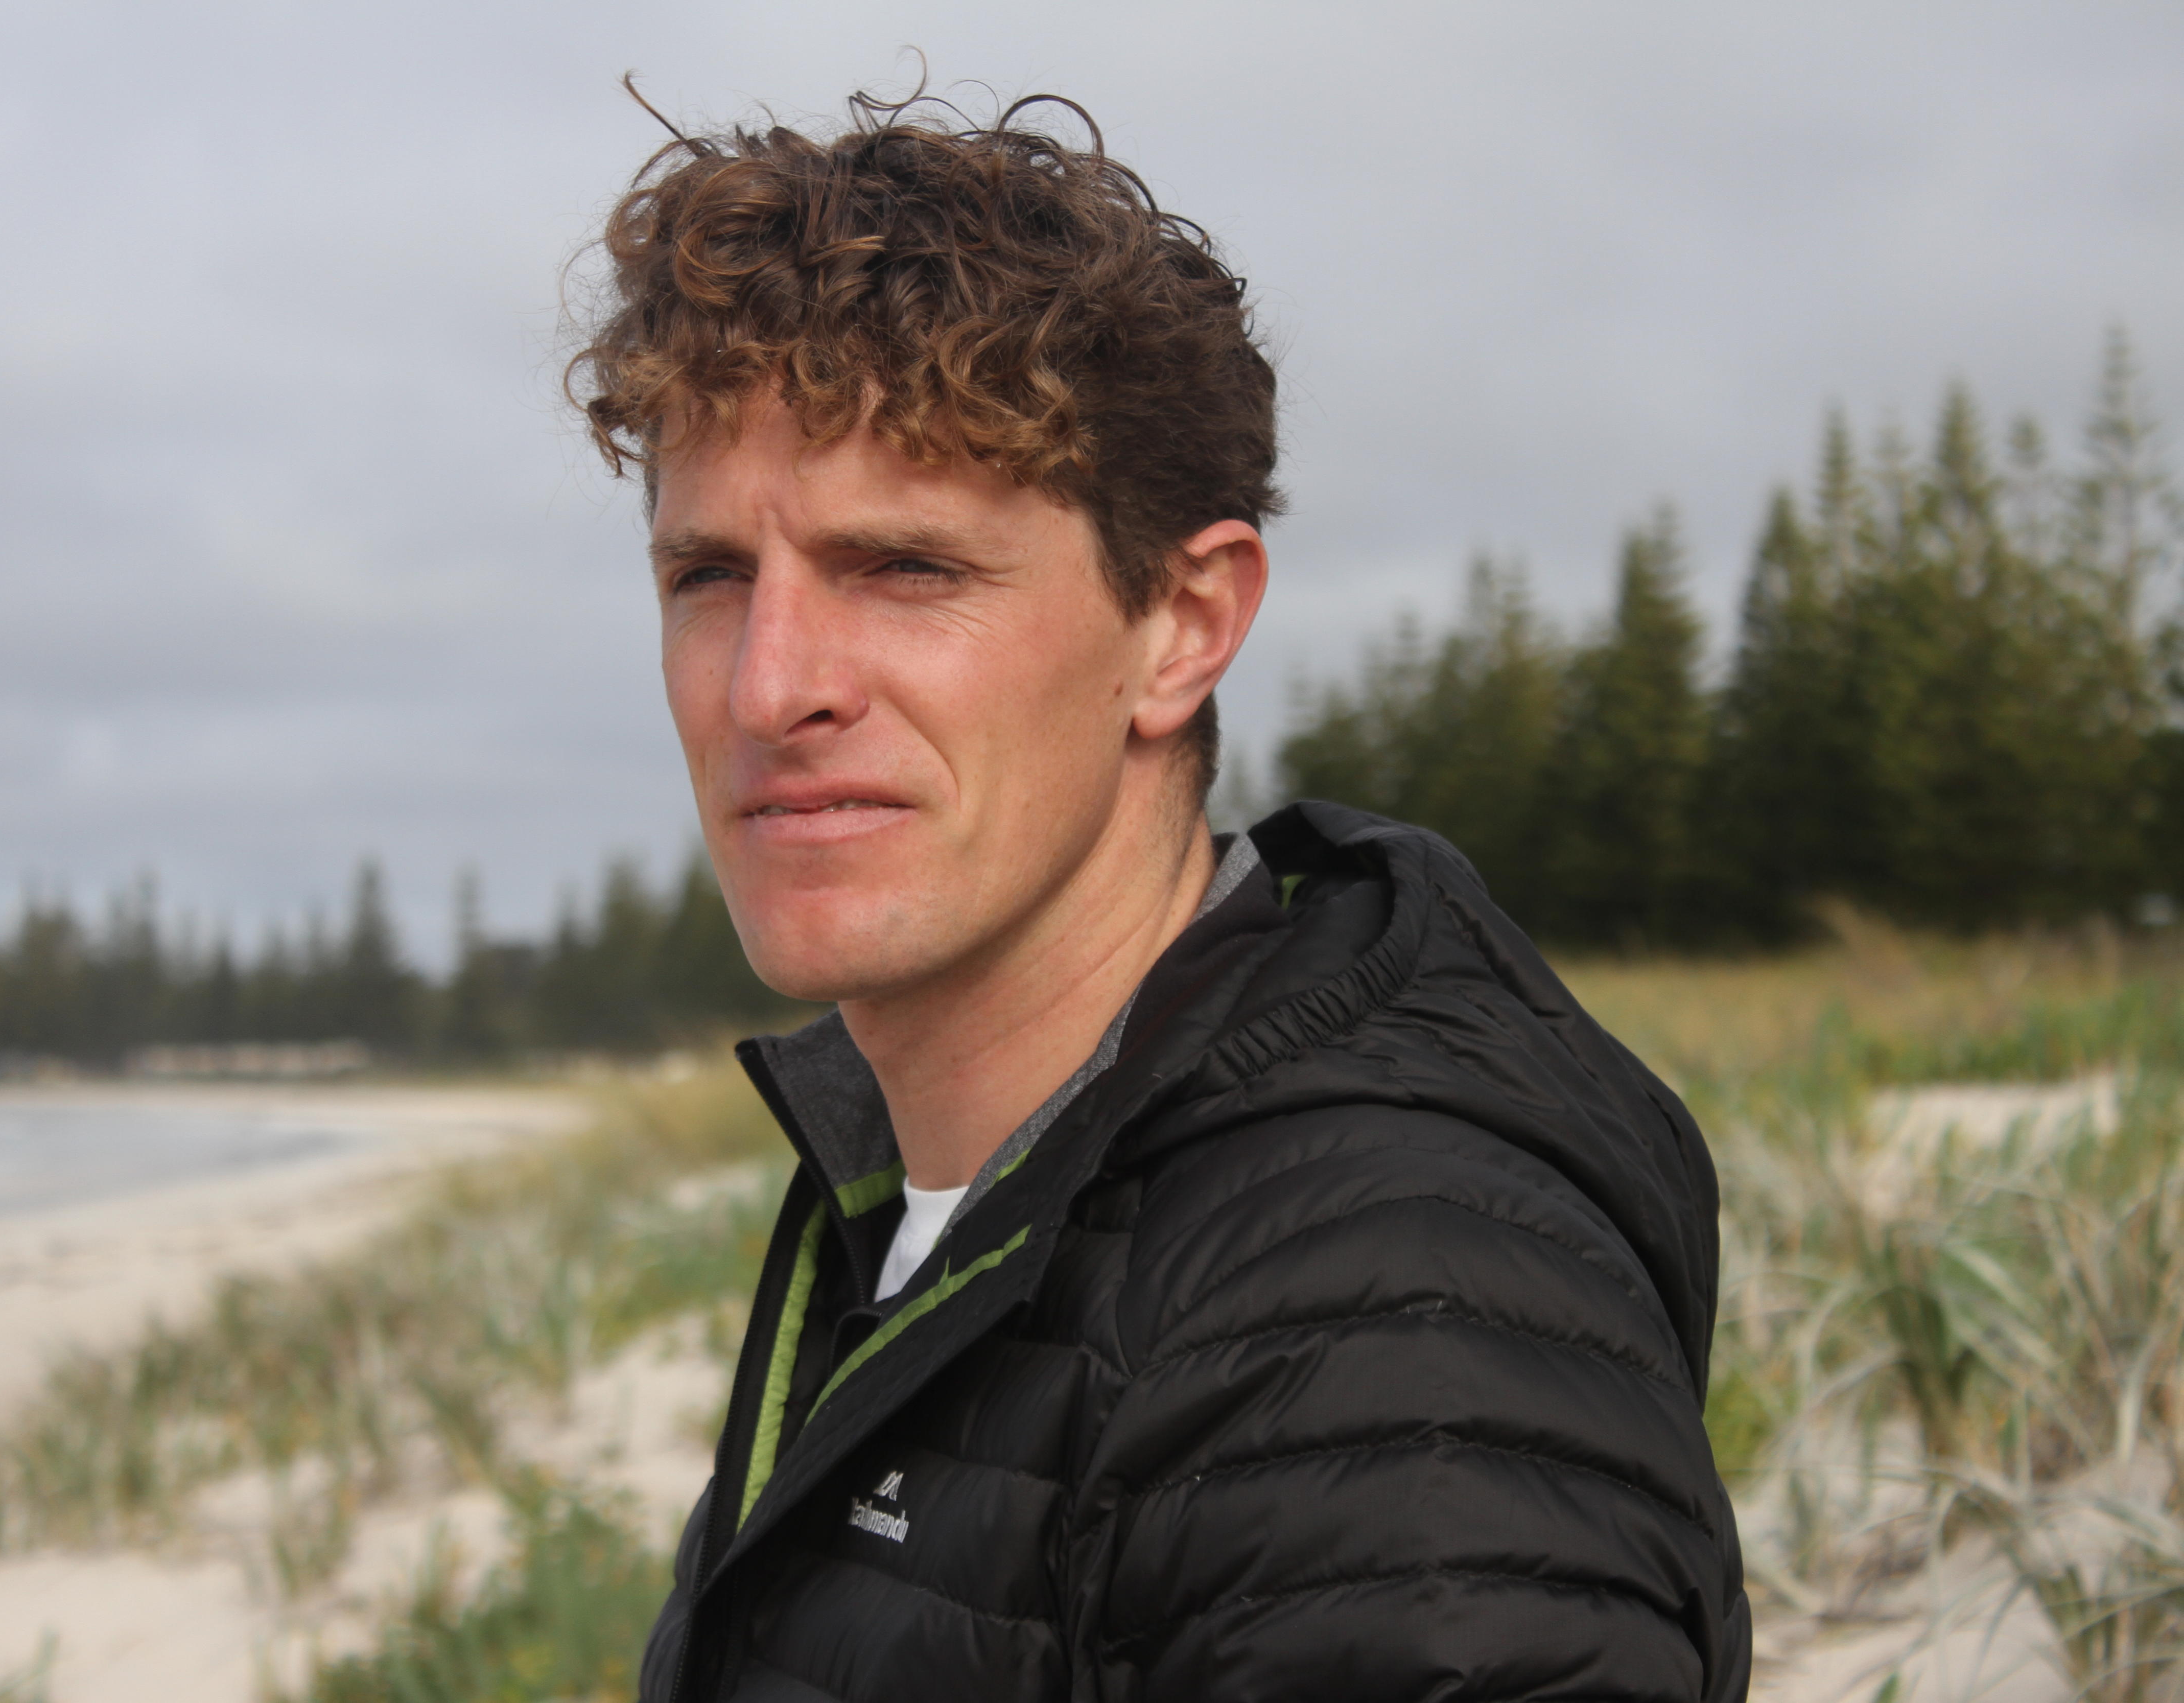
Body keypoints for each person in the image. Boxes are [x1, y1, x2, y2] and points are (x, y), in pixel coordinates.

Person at [570, 86, 1749, 1703]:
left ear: (1183, 627)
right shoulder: (931, 1199)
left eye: (906, 568)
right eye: (709, 576)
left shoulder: (1378, 1328)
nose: (769, 688)